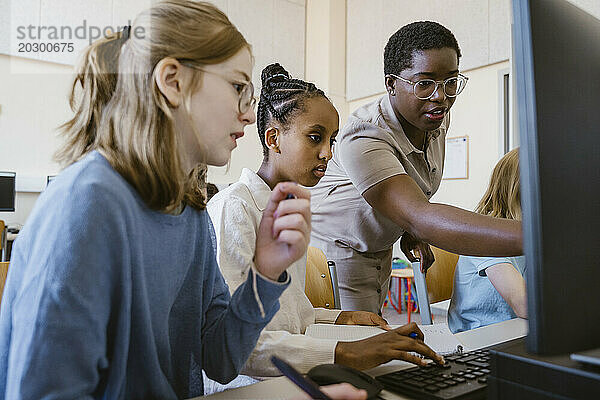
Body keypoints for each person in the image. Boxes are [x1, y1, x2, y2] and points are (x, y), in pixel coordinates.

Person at [0, 2, 317, 399]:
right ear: (173, 81)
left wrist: (265, 272)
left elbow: (219, 357)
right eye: (238, 87)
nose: (249, 116)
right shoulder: (88, 205)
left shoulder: (189, 211)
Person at [207, 63, 444, 378]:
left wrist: (341, 319)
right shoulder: (234, 208)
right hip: (247, 387)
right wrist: (345, 352)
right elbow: (236, 343)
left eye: (332, 141)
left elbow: (290, 318)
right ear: (273, 138)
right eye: (315, 138)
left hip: (289, 376)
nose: (328, 154)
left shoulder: (290, 209)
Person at [309, 21, 523, 314]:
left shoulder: (434, 118)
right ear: (391, 84)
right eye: (424, 83)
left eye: (450, 81)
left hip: (379, 247)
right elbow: (419, 215)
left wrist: (409, 230)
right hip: (339, 253)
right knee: (357, 347)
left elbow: (414, 191)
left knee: (375, 337)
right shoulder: (364, 134)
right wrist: (542, 236)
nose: (440, 96)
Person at [448, 148, 527, 333]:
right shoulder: (486, 234)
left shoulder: (533, 231)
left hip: (517, 330)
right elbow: (525, 305)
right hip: (479, 337)